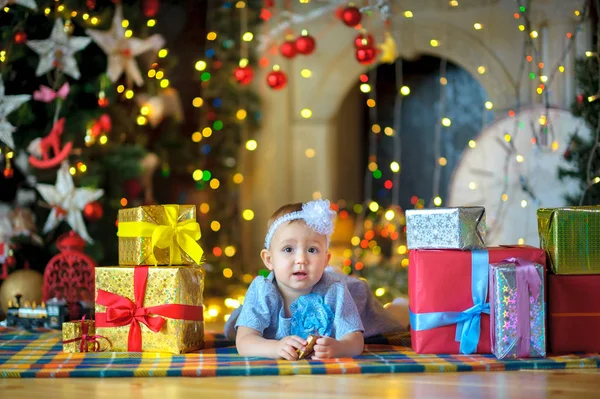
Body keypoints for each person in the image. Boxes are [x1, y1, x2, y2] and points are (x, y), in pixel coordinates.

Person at [225, 199, 407, 360]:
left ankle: (400, 306)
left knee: (388, 323)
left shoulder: (336, 291)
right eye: (288, 249)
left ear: (326, 260)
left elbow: (355, 340)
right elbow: (244, 341)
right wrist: (275, 347)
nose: (301, 259)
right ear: (269, 260)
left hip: (356, 298)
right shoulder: (262, 291)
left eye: (312, 250)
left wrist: (340, 347)